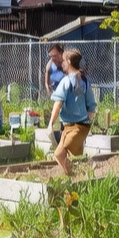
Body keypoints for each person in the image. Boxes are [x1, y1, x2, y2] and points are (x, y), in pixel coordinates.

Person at [48, 48, 96, 176]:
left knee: (59, 154)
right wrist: (88, 125)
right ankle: (74, 178)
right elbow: (91, 106)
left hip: (73, 128)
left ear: (68, 61)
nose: (61, 63)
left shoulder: (66, 81)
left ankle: (72, 176)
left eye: (63, 60)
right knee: (74, 158)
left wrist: (50, 124)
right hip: (80, 127)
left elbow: (57, 104)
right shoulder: (85, 81)